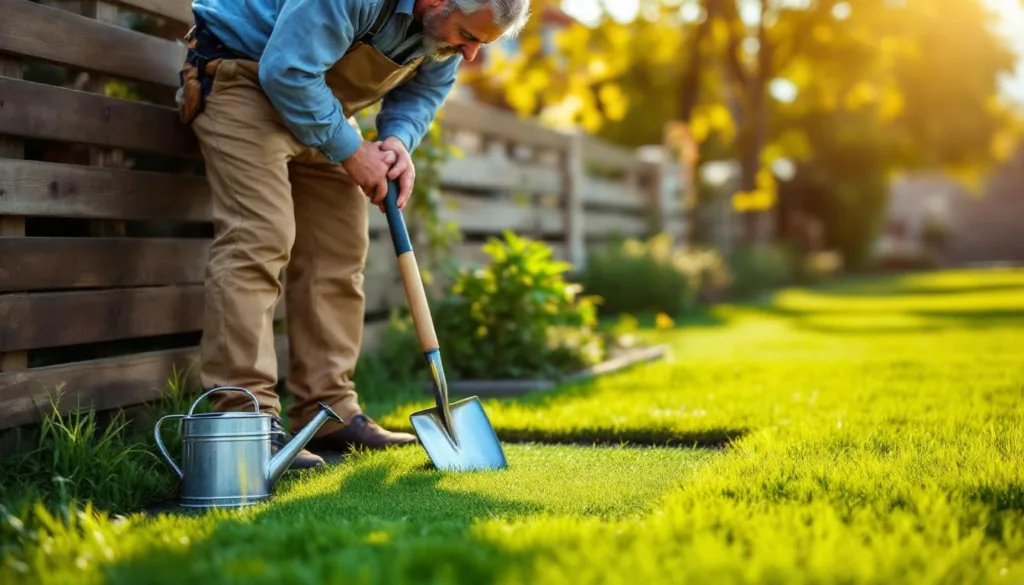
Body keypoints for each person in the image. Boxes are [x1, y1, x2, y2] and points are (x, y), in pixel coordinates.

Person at [176, 0, 531, 469]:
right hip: (244, 78)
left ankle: (328, 413)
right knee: (258, 242)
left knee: (339, 255)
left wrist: (398, 141)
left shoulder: (441, 39)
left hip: (319, 101)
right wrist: (349, 149)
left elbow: (424, 91)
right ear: (437, 1)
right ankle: (246, 422)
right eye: (468, 35)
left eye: (480, 45)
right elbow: (286, 70)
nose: (468, 55)